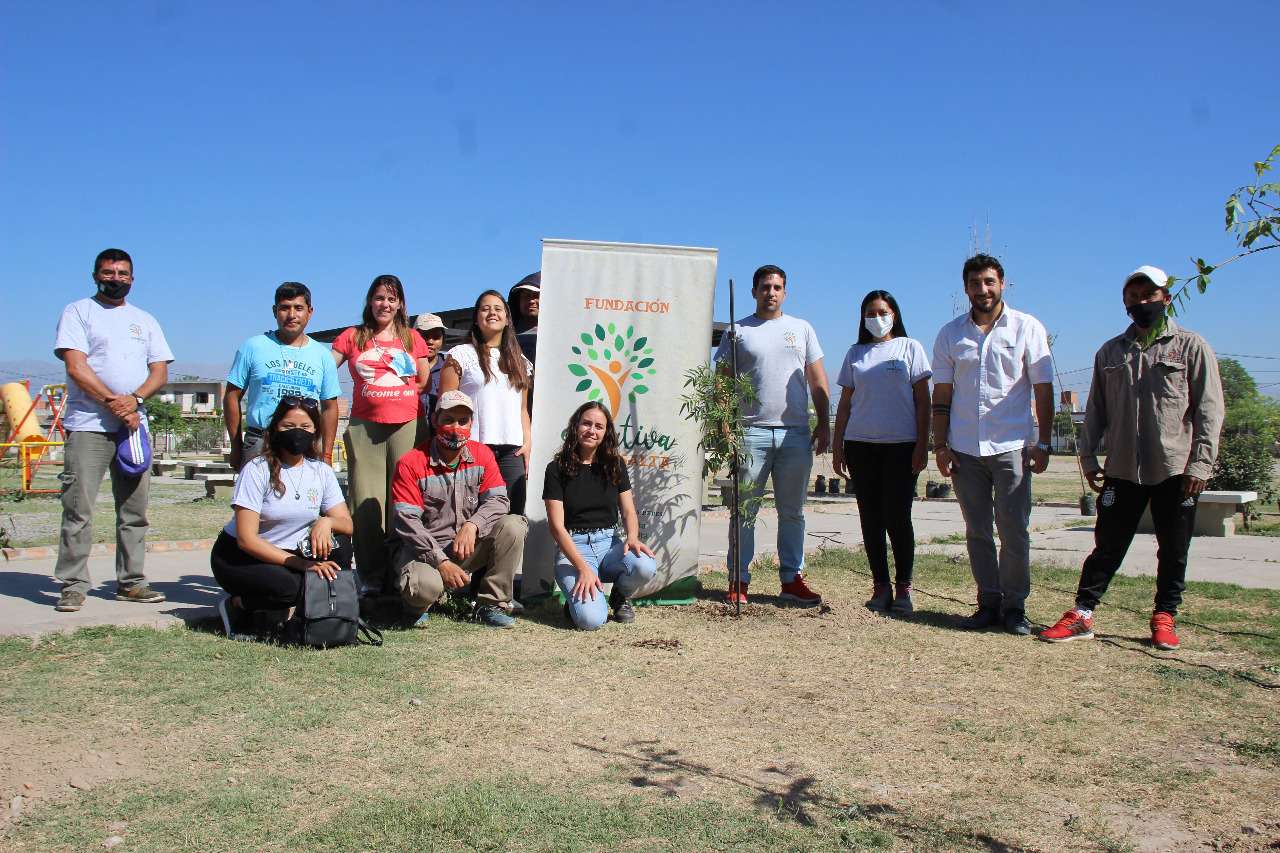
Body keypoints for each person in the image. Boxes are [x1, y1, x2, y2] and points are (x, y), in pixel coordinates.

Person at [1040, 266, 1224, 650]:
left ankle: (1164, 616)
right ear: (1125, 302)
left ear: (1166, 298)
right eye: (1134, 296)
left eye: (1149, 295)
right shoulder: (1110, 352)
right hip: (1122, 468)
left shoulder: (1191, 347)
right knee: (1107, 544)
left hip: (1175, 469)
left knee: (1174, 547)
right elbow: (1096, 410)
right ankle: (1082, 614)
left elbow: (1209, 410)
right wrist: (1088, 458)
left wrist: (1201, 463)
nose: (1142, 302)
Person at [932, 254, 1054, 635]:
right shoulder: (950, 334)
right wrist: (940, 446)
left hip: (1012, 446)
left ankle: (1015, 608)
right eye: (974, 283)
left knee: (1014, 531)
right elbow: (942, 393)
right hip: (965, 448)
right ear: (965, 288)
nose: (982, 289)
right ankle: (988, 603)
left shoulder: (1027, 328)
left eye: (989, 281)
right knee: (978, 531)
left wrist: (1044, 443)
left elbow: (1043, 388)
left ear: (1003, 283)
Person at [51, 248, 174, 612]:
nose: (115, 279)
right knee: (78, 509)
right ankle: (73, 585)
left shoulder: (144, 320)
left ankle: (131, 582)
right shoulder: (79, 312)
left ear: (132, 279)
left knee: (134, 512)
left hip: (133, 429)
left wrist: (134, 401)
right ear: (96, 276)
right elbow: (76, 366)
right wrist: (116, 404)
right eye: (108, 273)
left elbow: (160, 371)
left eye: (122, 274)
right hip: (88, 426)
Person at [714, 264, 831, 606]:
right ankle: (738, 579)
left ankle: (791, 580)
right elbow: (721, 382)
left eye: (777, 287)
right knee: (744, 510)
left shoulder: (801, 329)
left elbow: (817, 379)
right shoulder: (737, 331)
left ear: (784, 292)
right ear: (754, 292)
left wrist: (824, 423)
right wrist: (725, 426)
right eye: (765, 287)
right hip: (750, 434)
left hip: (795, 435)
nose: (771, 292)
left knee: (792, 513)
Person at [211, 397, 354, 640]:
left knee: (341, 545)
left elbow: (347, 524)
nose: (297, 433)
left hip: (290, 552)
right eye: (288, 426)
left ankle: (319, 614)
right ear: (275, 429)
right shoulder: (257, 469)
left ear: (315, 431)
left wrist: (326, 521)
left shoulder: (321, 470)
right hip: (241, 558)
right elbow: (246, 540)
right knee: (294, 587)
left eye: (305, 427)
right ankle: (237, 605)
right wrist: (302, 566)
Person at [391, 390, 529, 628]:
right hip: (423, 552)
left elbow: (499, 500)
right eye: (448, 420)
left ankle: (491, 604)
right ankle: (417, 605)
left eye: (463, 421)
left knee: (514, 525)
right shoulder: (410, 463)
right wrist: (441, 562)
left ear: (471, 423)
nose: (456, 428)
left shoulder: (482, 454)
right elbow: (408, 522)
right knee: (424, 588)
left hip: (464, 547)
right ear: (434, 420)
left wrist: (473, 525)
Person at [331, 275, 432, 596]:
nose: (384, 304)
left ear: (400, 303)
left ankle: (403, 574)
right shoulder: (352, 337)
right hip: (365, 428)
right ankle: (371, 578)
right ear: (369, 301)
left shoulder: (412, 338)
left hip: (408, 426)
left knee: (404, 501)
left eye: (391, 299)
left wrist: (395, 394)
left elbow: (424, 381)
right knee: (365, 501)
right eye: (378, 298)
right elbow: (324, 371)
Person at [832, 290, 932, 613]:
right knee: (871, 518)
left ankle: (904, 589)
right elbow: (844, 404)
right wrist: (837, 446)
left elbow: (923, 401)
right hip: (860, 446)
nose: (877, 318)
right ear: (863, 319)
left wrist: (922, 444)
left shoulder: (910, 348)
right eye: (870, 313)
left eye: (882, 312)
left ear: (894, 315)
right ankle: (881, 587)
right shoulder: (855, 353)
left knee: (897, 517)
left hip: (901, 446)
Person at [544, 401, 657, 630]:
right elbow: (556, 528)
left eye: (599, 426)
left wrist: (632, 537)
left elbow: (628, 511)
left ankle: (619, 595)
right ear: (576, 426)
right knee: (591, 621)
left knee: (645, 566)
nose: (591, 431)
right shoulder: (556, 469)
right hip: (574, 548)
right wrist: (582, 567)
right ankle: (576, 603)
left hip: (608, 544)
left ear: (606, 433)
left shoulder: (615, 465)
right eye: (586, 424)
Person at [224, 282, 341, 471]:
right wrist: (236, 445)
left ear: (310, 312)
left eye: (299, 308)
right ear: (275, 311)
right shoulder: (252, 347)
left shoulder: (323, 356)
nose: (292, 315)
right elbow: (232, 396)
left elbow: (330, 406)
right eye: (285, 308)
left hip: (304, 443)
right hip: (260, 441)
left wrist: (326, 454)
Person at [438, 290, 533, 514]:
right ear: (476, 318)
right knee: (472, 515)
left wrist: (528, 442)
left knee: (512, 516)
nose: (492, 313)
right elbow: (444, 406)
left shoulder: (521, 362)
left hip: (512, 452)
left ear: (507, 319)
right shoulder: (459, 355)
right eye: (485, 309)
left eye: (498, 309)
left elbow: (522, 409)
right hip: (471, 448)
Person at [413, 312, 447, 429]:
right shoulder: (403, 368)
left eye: (436, 337)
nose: (430, 342)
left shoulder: (450, 367)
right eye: (425, 336)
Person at [507, 271, 540, 365]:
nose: (531, 301)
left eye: (536, 296)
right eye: (526, 296)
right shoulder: (506, 335)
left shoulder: (560, 335)